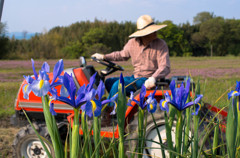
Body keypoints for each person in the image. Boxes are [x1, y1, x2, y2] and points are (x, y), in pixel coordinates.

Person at [92, 14, 171, 100]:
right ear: (144, 34)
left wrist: (153, 78)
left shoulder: (160, 44)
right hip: (135, 78)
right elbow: (121, 55)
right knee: (109, 82)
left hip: (147, 80)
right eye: (152, 31)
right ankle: (119, 106)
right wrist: (104, 57)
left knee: (118, 85)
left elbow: (165, 66)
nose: (155, 32)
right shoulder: (132, 43)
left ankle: (110, 111)